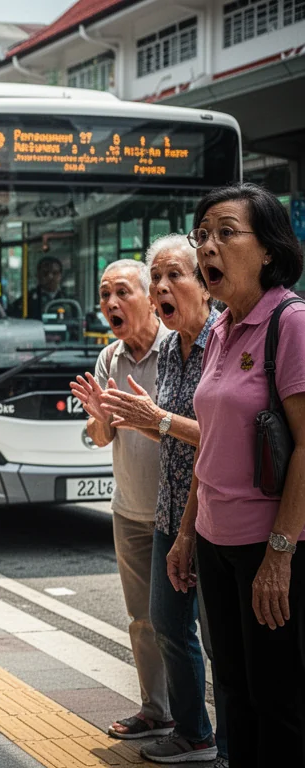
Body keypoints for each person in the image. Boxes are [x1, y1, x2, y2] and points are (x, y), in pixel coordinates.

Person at [168, 183, 305, 767]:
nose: (208, 248)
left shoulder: (291, 323)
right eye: (203, 235)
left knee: (279, 700)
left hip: (267, 545)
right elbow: (216, 442)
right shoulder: (221, 327)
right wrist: (185, 532)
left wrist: (280, 553)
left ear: (268, 249)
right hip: (214, 541)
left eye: (227, 232)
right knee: (233, 693)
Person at [99, 235, 223, 764]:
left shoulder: (223, 339)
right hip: (171, 515)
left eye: (175, 276)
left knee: (219, 639)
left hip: (216, 514)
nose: (163, 288)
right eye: (158, 279)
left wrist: (160, 420)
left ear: (207, 284)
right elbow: (168, 432)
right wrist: (132, 419)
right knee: (166, 623)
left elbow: (222, 433)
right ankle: (193, 731)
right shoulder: (171, 348)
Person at [70, 258, 173, 741]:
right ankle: (158, 710)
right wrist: (98, 416)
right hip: (129, 508)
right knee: (142, 620)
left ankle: (211, 719)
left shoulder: (178, 349)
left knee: (194, 626)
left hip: (180, 511)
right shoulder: (109, 358)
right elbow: (101, 436)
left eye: (122, 292)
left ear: (151, 297)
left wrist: (146, 418)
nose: (111, 303)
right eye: (105, 293)